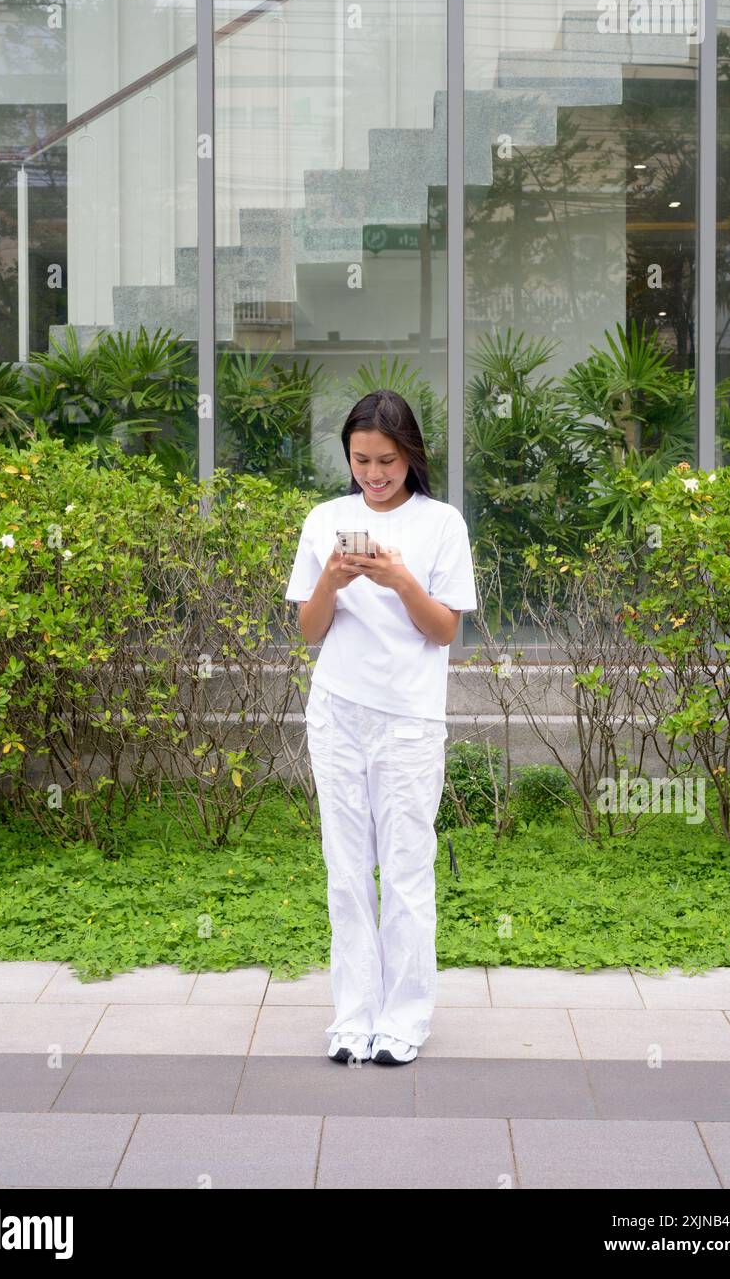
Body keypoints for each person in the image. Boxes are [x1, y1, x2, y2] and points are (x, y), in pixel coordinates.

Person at [285, 390, 478, 1067]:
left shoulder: (440, 524)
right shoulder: (325, 520)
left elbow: (442, 630)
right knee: (344, 871)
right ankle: (352, 1017)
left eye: (387, 461)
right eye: (361, 459)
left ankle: (404, 1018)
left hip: (407, 720)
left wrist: (398, 579)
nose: (373, 473)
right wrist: (331, 583)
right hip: (336, 713)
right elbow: (310, 632)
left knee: (403, 869)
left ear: (410, 457)